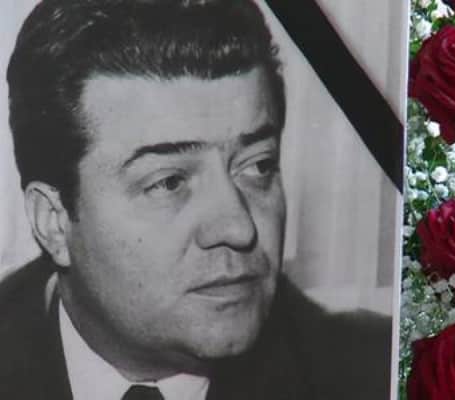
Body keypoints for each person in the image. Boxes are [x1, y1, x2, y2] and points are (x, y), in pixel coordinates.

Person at [0, 0, 392, 398]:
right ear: (53, 221)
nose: (239, 228)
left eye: (258, 166)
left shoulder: (376, 377)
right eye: (169, 182)